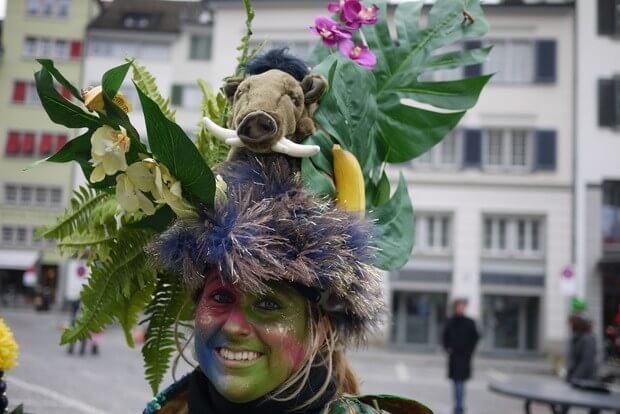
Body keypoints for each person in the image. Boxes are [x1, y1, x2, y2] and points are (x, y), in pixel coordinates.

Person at [442, 298, 480, 414]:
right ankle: (459, 407)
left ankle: (458, 408)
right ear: (455, 307)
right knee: (456, 384)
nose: (460, 308)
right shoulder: (450, 321)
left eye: (462, 306)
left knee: (460, 383)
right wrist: (447, 349)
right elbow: (444, 336)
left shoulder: (470, 322)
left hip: (464, 358)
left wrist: (470, 351)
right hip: (454, 357)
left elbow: (476, 337)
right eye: (459, 306)